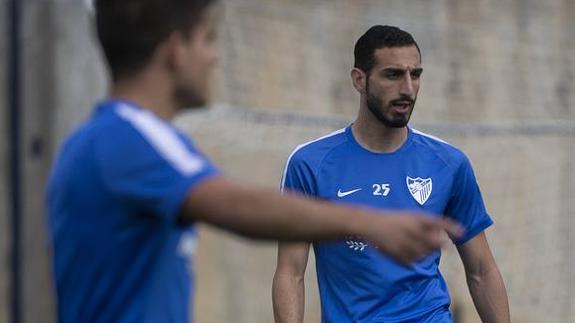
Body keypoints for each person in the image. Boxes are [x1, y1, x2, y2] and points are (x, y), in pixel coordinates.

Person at [45, 2, 463, 323]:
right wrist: (369, 222)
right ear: (174, 50)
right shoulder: (130, 140)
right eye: (207, 40)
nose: (214, 58)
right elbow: (234, 205)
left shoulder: (106, 140)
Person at [272, 25, 510, 323]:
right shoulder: (309, 163)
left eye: (416, 75)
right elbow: (290, 273)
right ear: (360, 79)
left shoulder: (449, 163)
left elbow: (482, 270)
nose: (408, 89)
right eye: (393, 75)